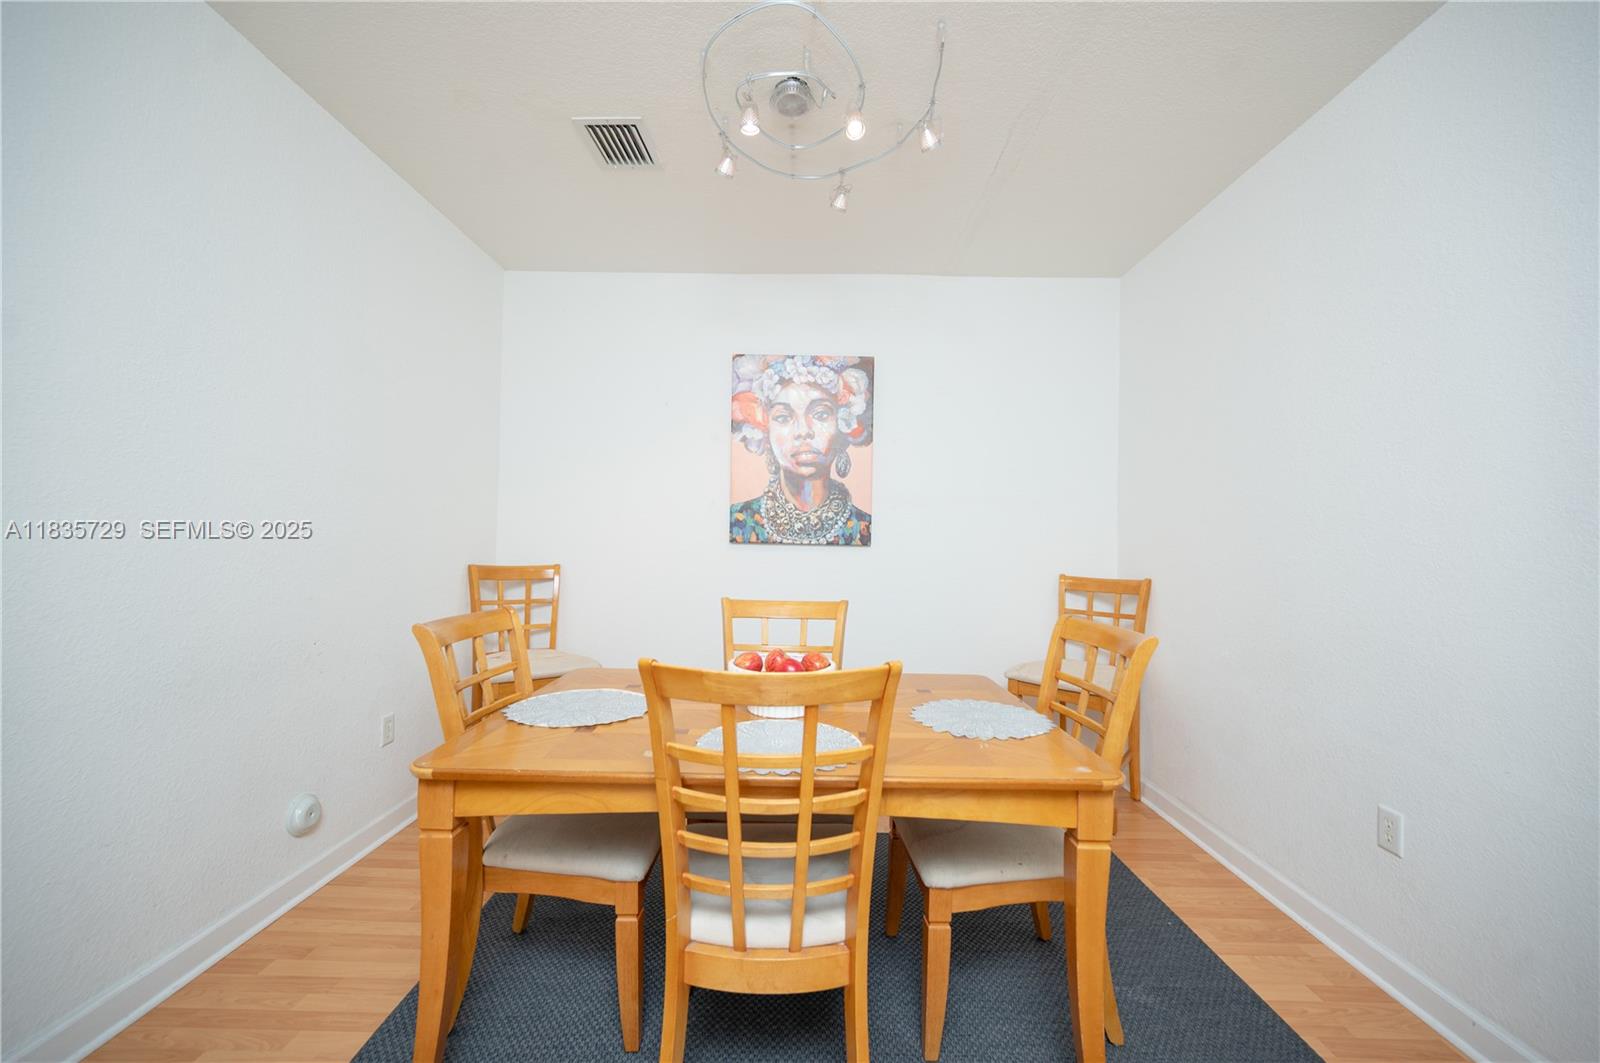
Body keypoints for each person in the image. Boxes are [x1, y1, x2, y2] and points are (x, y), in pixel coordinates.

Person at [730, 354, 872, 546]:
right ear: (765, 429)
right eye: (783, 418)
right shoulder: (735, 524)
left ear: (843, 424)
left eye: (821, 414)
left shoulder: (866, 529)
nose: (803, 431)